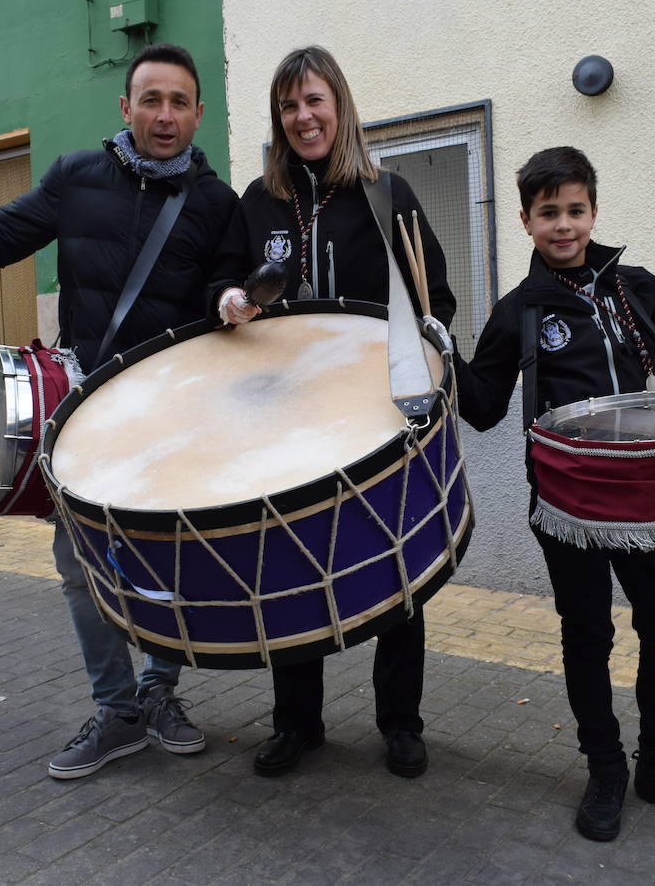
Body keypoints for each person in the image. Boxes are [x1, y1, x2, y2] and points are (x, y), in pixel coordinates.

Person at [0, 43, 239, 779]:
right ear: (125, 109)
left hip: (174, 415)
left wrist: (231, 296)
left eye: (179, 102)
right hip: (89, 406)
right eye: (150, 100)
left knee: (172, 558)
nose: (165, 115)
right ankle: (119, 708)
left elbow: (225, 286)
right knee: (79, 565)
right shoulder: (77, 176)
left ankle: (160, 690)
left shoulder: (217, 203)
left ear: (197, 114)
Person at [453, 146, 655, 841]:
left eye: (575, 210)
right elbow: (488, 406)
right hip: (567, 501)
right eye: (548, 213)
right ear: (525, 221)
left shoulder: (639, 288)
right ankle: (607, 769)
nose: (564, 225)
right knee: (587, 635)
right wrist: (443, 358)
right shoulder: (519, 309)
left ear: (594, 211)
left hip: (647, 491)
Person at [212, 45, 456, 780]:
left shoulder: (388, 194)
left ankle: (401, 723)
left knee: (396, 570)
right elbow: (227, 284)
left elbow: (433, 299)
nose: (303, 117)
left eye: (314, 101)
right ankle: (298, 723)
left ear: (339, 106)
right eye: (289, 106)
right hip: (285, 418)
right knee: (291, 562)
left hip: (378, 411)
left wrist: (433, 346)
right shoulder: (257, 201)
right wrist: (228, 299)